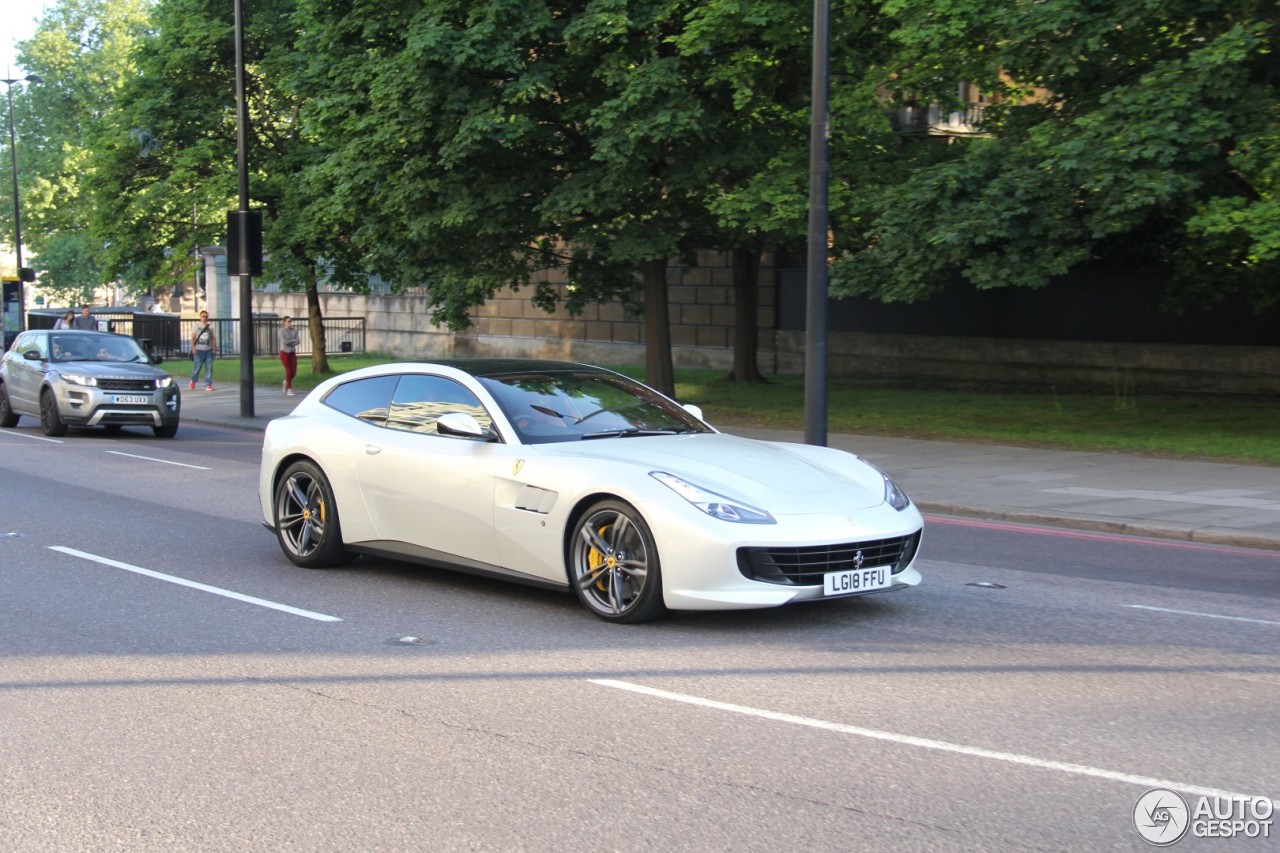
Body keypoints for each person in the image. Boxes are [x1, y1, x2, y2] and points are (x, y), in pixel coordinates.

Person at [189, 311, 217, 391]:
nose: (204, 318)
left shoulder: (210, 327)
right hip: (198, 350)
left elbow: (213, 338)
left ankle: (208, 385)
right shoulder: (196, 326)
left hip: (208, 350)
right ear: (200, 317)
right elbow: (193, 338)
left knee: (209, 367)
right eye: (203, 316)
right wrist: (193, 348)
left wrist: (214, 350)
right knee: (197, 367)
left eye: (206, 316)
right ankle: (193, 381)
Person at [278, 316, 300, 396]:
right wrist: (292, 341)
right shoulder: (281, 331)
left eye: (291, 321)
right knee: (288, 370)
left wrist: (291, 341)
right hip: (284, 352)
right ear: (284, 322)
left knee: (294, 372)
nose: (290, 323)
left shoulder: (294, 330)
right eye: (288, 321)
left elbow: (298, 341)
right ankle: (289, 390)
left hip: (292, 352)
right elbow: (284, 342)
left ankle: (286, 382)